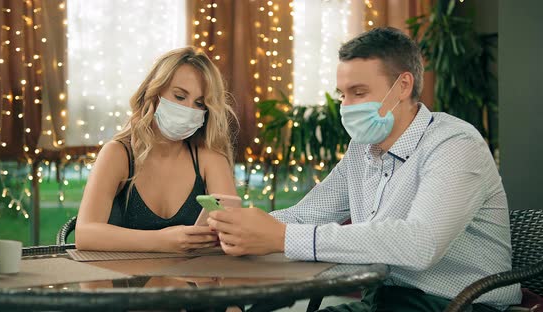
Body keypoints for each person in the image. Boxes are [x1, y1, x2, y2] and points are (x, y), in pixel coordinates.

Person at [207, 27, 522, 311]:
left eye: (359, 93)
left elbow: (420, 243)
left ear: (402, 86)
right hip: (384, 299)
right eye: (342, 95)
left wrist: (284, 237)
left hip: (457, 304)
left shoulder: (455, 143)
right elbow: (308, 214)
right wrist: (236, 229)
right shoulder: (362, 149)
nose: (346, 106)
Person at [76, 47, 239, 253]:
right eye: (180, 97)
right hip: (123, 282)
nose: (189, 109)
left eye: (199, 103)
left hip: (193, 281)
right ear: (153, 92)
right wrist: (163, 241)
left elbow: (232, 233)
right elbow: (85, 234)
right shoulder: (117, 154)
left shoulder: (209, 158)